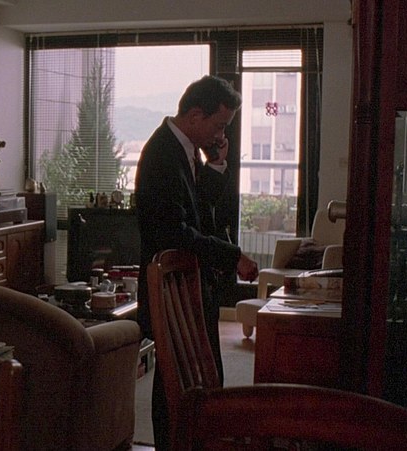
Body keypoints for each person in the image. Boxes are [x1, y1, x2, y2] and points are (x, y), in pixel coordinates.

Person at [134, 75, 259, 449]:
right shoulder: (161, 154)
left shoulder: (185, 149)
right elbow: (174, 232)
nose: (221, 134)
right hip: (170, 290)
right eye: (218, 125)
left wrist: (216, 165)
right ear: (194, 116)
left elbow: (199, 213)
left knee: (201, 379)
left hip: (189, 286)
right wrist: (232, 256)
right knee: (174, 385)